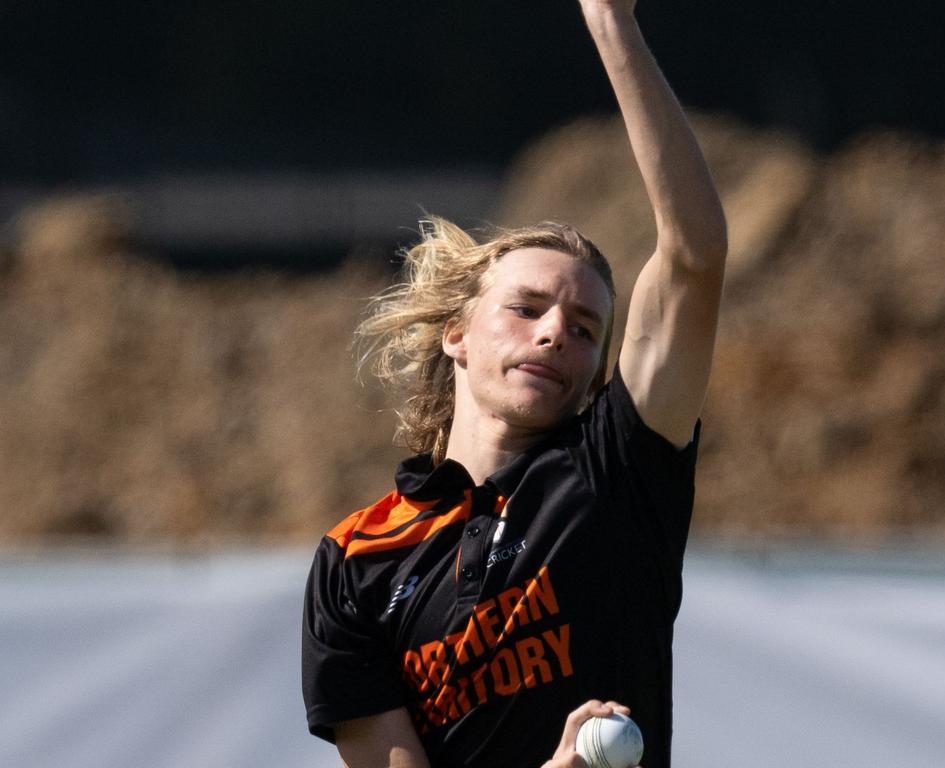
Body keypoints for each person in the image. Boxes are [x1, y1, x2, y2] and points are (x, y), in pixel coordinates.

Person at [302, 0, 727, 765]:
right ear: (456, 333)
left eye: (585, 329)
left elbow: (694, 256)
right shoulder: (356, 560)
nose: (556, 330)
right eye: (527, 308)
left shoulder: (619, 470)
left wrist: (610, 20)